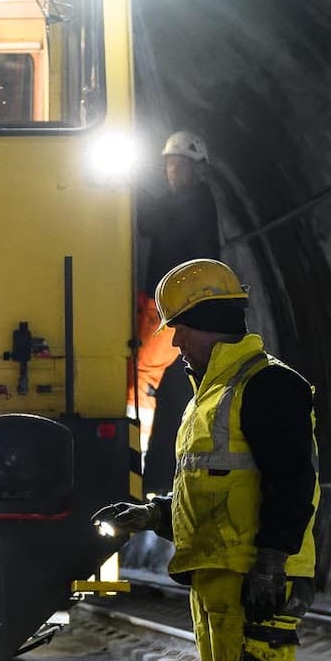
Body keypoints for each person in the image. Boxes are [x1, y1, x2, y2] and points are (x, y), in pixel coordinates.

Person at [94, 258, 319, 661]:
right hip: (221, 573)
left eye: (179, 329)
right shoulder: (211, 393)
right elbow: (213, 492)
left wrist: (273, 560)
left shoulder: (268, 385)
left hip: (255, 575)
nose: (174, 341)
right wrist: (151, 514)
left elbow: (291, 482)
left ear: (205, 322)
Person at [135, 132, 224, 492]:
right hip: (165, 305)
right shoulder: (185, 201)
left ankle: (132, 456)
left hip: (173, 309)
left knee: (142, 375)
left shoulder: (195, 204)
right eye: (170, 165)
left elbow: (153, 219)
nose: (173, 171)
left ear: (197, 170)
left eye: (181, 166)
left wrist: (129, 184)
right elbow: (151, 221)